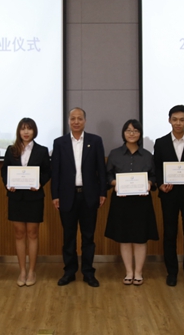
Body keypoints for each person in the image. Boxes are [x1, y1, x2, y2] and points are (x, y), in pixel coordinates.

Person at [51, 107, 107, 288]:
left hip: (89, 196)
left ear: (85, 121)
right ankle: (69, 272)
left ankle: (88, 272)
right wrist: (55, 195)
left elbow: (101, 169)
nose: (76, 121)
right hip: (67, 196)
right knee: (69, 237)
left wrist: (103, 192)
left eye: (79, 118)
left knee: (88, 237)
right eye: (73, 118)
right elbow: (55, 171)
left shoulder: (95, 141)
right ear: (69, 121)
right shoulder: (59, 143)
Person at [153, 105, 184, 287]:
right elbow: (157, 167)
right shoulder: (160, 142)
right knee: (170, 233)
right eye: (174, 119)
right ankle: (172, 272)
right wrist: (160, 185)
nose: (178, 123)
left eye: (182, 120)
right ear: (169, 120)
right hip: (169, 194)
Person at [105, 119, 159, 286]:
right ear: (123, 133)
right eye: (128, 130)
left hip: (141, 202)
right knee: (125, 238)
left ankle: (139, 272)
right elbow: (108, 176)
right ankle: (129, 272)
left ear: (140, 134)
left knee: (140, 238)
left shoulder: (148, 155)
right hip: (121, 202)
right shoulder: (114, 154)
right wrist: (115, 183)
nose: (132, 133)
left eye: (135, 131)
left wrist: (149, 183)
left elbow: (154, 176)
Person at [1, 118, 51, 287]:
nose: (26, 132)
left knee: (33, 233)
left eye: (29, 128)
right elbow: (4, 171)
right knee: (19, 233)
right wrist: (8, 184)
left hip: (34, 198)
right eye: (23, 129)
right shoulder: (11, 150)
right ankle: (22, 270)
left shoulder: (42, 150)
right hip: (16, 197)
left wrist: (39, 182)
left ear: (34, 131)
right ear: (19, 131)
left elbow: (47, 172)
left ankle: (32, 271)